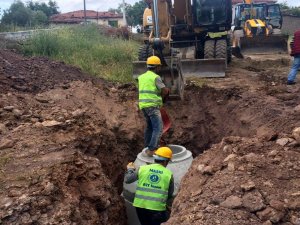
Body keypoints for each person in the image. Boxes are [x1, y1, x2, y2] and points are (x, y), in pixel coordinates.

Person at [124, 147, 174, 225]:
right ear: (165, 161)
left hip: (140, 206)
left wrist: (130, 169)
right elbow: (170, 194)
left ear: (155, 158)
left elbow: (128, 180)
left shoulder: (142, 169)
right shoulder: (168, 174)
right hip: (157, 209)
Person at [138, 56, 170, 157]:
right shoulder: (155, 77)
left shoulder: (141, 77)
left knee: (150, 127)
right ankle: (152, 149)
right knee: (158, 128)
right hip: (152, 105)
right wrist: (165, 94)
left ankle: (147, 147)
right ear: (157, 67)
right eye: (159, 67)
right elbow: (164, 91)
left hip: (143, 105)